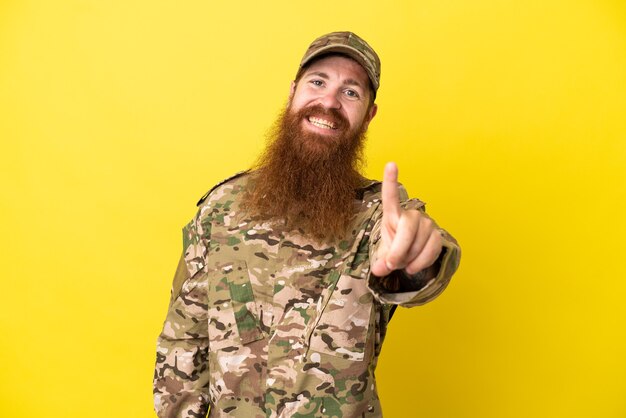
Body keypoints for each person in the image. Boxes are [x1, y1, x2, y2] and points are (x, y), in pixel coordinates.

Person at [153, 31, 461, 418]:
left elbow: (419, 256)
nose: (329, 102)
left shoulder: (377, 217)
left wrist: (421, 254)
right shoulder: (221, 207)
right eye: (318, 82)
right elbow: (183, 337)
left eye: (351, 93)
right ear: (293, 92)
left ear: (368, 116)